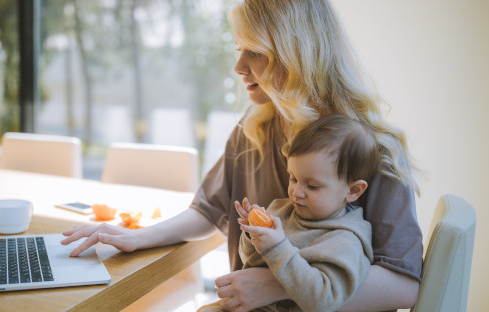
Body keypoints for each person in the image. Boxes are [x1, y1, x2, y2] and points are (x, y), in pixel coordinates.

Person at [61, 0, 423, 311]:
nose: (239, 68)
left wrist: (278, 284)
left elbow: (405, 283)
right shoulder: (254, 128)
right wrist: (137, 237)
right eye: (239, 49)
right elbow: (207, 210)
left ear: (297, 56)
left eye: (257, 52)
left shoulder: (373, 148)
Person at [199, 114, 378, 312]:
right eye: (293, 178)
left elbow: (323, 300)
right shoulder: (282, 210)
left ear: (353, 191)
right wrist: (253, 234)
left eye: (312, 186)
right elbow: (250, 261)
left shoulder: (346, 241)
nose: (296, 192)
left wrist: (277, 248)